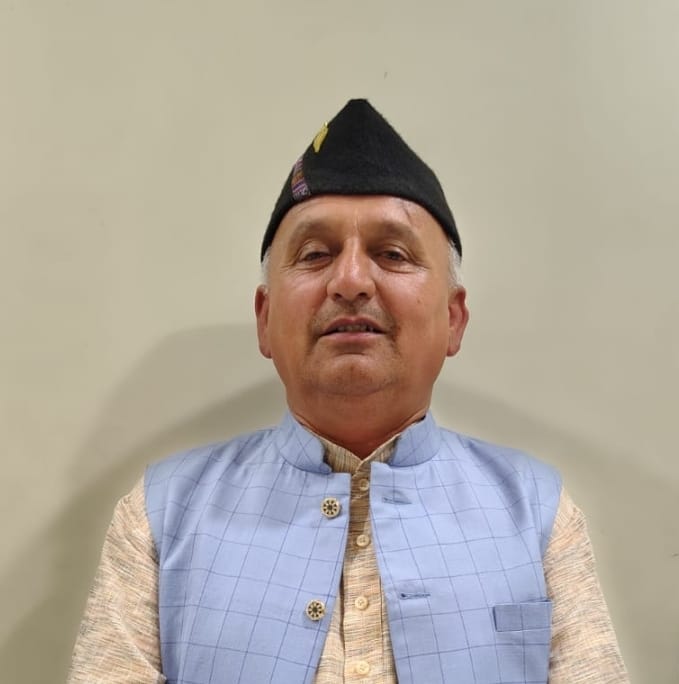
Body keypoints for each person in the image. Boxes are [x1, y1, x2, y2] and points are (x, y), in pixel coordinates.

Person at [68, 99, 629, 683]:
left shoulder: (536, 510)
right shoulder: (163, 513)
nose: (352, 280)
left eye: (393, 254)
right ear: (265, 319)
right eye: (315, 254)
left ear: (453, 319)